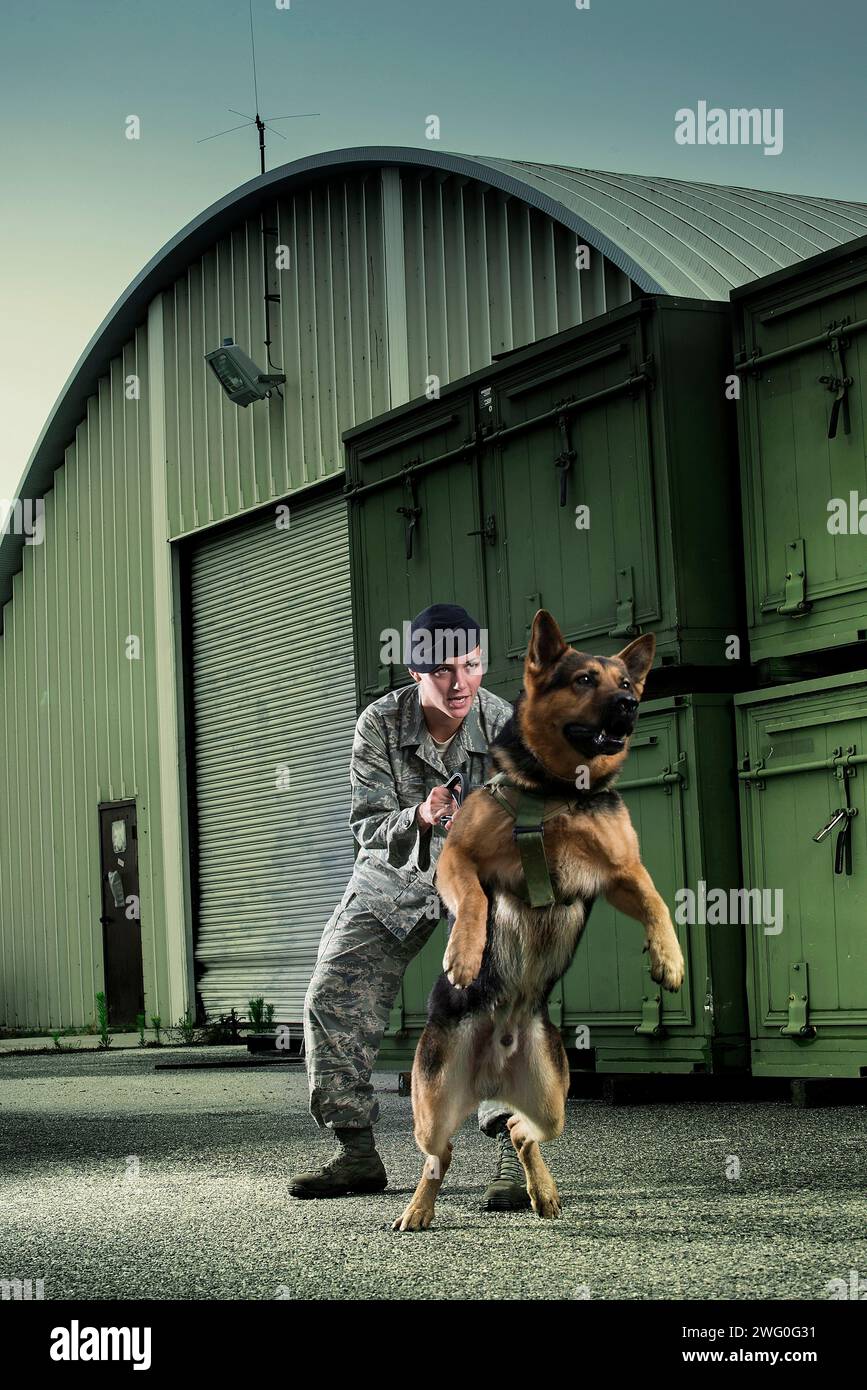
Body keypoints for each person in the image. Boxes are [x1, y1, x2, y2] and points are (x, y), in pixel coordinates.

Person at [292, 603, 531, 1210]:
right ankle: (356, 1153)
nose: (460, 684)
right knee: (329, 992)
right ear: (414, 671)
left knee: (501, 991)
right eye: (443, 671)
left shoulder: (502, 722)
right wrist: (420, 816)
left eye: (471, 667)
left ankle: (512, 1149)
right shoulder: (379, 723)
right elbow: (367, 827)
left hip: (473, 879)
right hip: (393, 877)